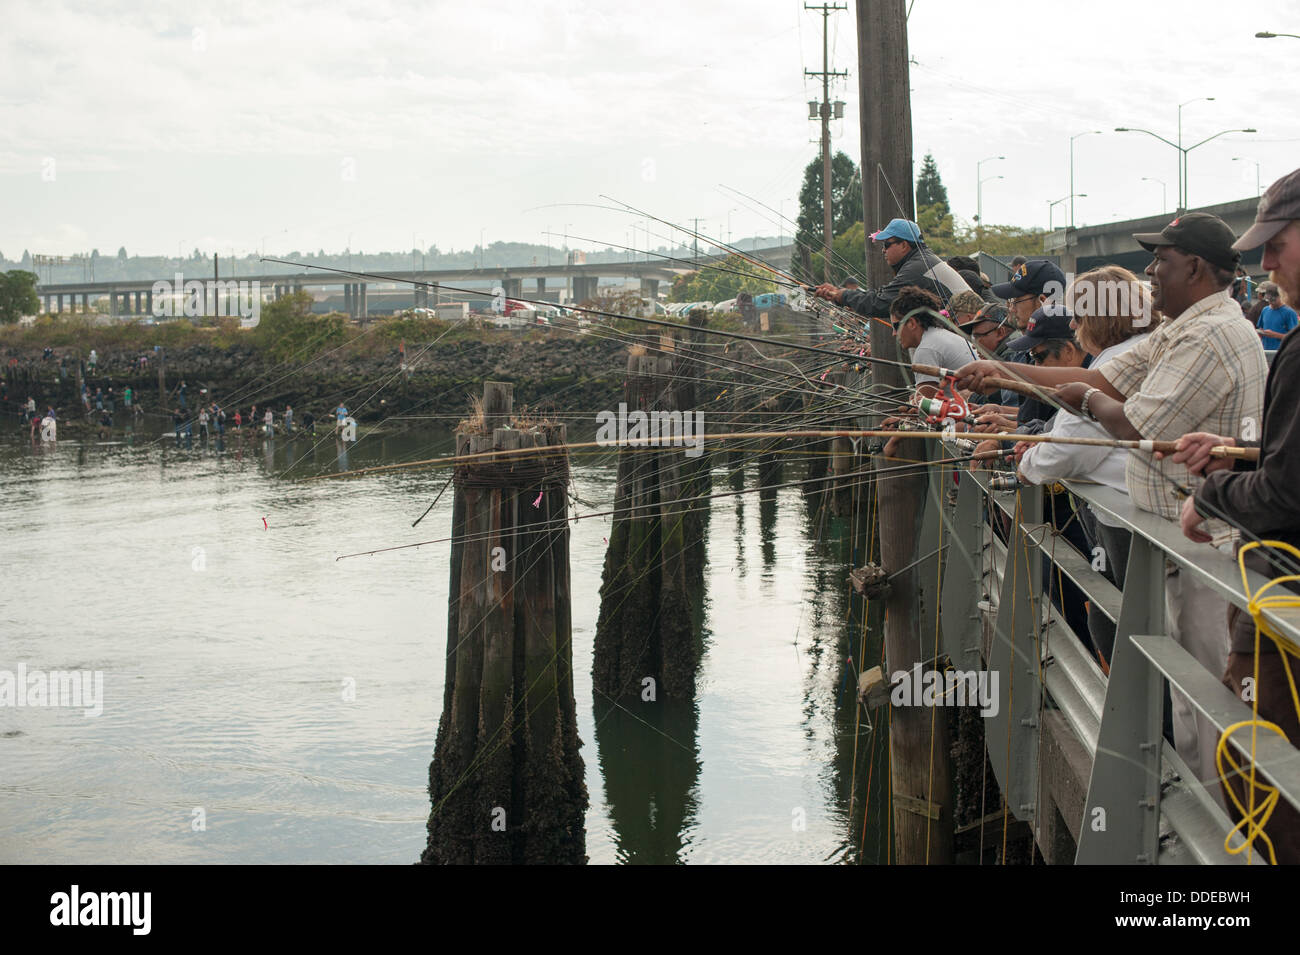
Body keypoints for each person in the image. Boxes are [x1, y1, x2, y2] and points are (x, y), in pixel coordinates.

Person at [956, 212, 1267, 801]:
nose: (1151, 273)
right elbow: (1091, 382)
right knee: (1187, 690)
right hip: (1173, 540)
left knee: (1208, 693)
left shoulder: (1211, 336)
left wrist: (1090, 402)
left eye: (1162, 261)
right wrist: (1004, 374)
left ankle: (1213, 827)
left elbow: (1131, 420)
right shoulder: (1178, 330)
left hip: (1205, 550)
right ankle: (1204, 810)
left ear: (1195, 267)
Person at [1171, 166, 1300, 861]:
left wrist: (1209, 493)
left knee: (1258, 771)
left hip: (1285, 606)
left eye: (1279, 242)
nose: (1266, 259)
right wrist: (1238, 454)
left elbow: (1286, 495)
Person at [1013, 266, 1154, 668]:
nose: (1073, 326)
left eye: (1078, 315)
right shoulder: (1132, 352)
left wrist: (1028, 463)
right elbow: (1066, 426)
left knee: (1124, 629)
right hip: (1131, 517)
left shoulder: (1117, 361)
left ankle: (1144, 726)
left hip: (1129, 523)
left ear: (1101, 316)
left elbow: (1072, 445)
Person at [881, 285, 976, 457]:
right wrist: (903, 418)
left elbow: (924, 408)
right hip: (966, 417)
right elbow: (922, 404)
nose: (894, 333)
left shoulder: (927, 349)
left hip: (968, 426)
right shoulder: (941, 336)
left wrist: (893, 442)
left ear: (911, 323)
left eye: (896, 326)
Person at [811, 218, 969, 319]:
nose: (883, 250)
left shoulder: (917, 268)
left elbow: (880, 304)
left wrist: (843, 296)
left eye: (887, 244)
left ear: (904, 245)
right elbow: (881, 294)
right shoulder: (922, 261)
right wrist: (839, 294)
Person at [1256, 283, 1297, 351]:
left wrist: (1275, 335)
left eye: (1273, 300)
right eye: (1269, 300)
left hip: (1282, 352)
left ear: (1281, 296)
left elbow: (1294, 338)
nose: (1271, 303)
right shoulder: (1265, 310)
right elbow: (1261, 328)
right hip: (1266, 350)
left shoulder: (1289, 312)